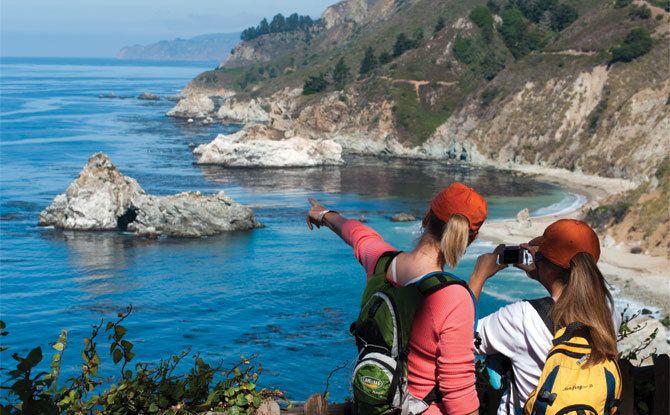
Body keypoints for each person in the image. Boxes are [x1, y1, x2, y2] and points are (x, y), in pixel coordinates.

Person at [306, 182, 488, 415]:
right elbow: (459, 397)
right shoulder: (454, 296)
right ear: (469, 239)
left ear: (425, 218)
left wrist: (322, 214)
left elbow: (356, 233)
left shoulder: (381, 264)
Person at [468, 219, 621, 415]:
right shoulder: (608, 314)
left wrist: (478, 277)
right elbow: (565, 297)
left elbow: (462, 339)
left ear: (545, 264)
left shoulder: (522, 317)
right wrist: (544, 273)